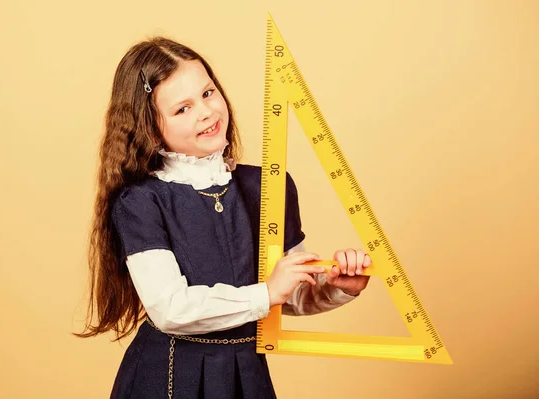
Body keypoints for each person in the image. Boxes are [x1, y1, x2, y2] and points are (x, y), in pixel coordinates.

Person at [75, 36, 372, 399]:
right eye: (181, 109)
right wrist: (265, 293)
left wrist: (339, 287)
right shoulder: (139, 202)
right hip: (170, 379)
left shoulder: (268, 186)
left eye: (208, 93)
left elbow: (290, 295)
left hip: (246, 377)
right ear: (149, 130)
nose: (205, 112)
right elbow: (170, 308)